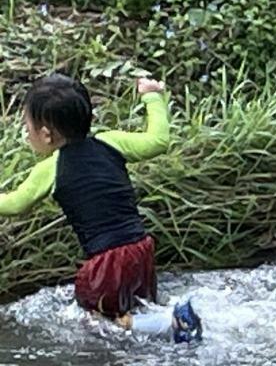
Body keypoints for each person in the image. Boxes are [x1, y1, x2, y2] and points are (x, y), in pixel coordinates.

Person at [1, 73, 202, 341]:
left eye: (27, 128)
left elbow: (16, 203)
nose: (26, 134)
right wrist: (152, 96)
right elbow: (158, 141)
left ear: (46, 134)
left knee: (100, 322)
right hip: (140, 249)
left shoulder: (51, 168)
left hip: (106, 262)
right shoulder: (111, 142)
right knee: (132, 311)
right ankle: (167, 324)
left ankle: (170, 322)